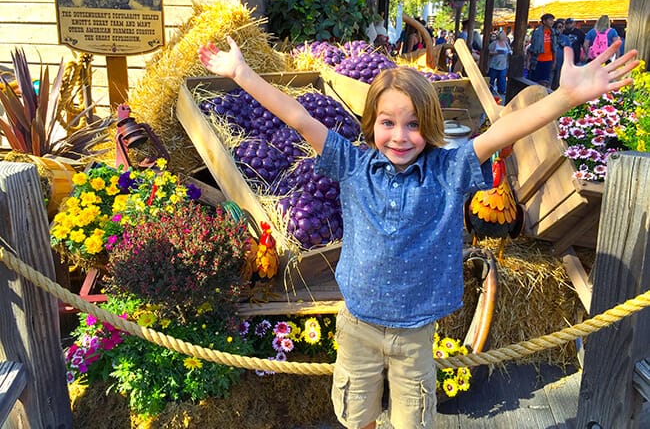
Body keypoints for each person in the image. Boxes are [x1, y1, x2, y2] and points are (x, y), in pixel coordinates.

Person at [198, 36, 638, 429]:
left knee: (414, 418)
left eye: (413, 125)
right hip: (357, 325)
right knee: (357, 415)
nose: (400, 136)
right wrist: (242, 72)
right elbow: (297, 116)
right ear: (370, 124)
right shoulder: (351, 166)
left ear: (429, 127)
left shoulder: (448, 171)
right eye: (388, 123)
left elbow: (504, 130)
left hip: (415, 335)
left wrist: (565, 95)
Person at [528, 13, 556, 87]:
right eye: (550, 20)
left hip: (548, 60)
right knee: (535, 81)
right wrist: (528, 61)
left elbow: (554, 48)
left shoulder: (553, 33)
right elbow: (531, 48)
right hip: (537, 59)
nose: (552, 22)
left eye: (552, 20)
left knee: (546, 81)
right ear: (544, 21)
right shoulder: (537, 33)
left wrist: (554, 61)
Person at [487, 31, 512, 99]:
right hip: (494, 64)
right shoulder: (494, 43)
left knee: (502, 78)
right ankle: (489, 90)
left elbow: (510, 50)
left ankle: (502, 90)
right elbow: (488, 51)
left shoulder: (506, 44)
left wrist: (509, 53)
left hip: (503, 65)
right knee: (491, 78)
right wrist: (495, 53)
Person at [551, 19, 571, 90]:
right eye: (559, 27)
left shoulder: (566, 38)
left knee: (558, 82)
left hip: (562, 63)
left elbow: (569, 51)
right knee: (549, 81)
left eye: (562, 27)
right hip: (551, 61)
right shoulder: (551, 37)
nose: (561, 29)